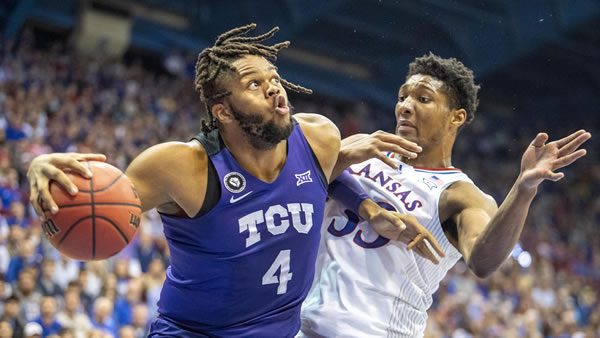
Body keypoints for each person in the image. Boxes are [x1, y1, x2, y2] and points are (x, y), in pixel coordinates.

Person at [26, 24, 436, 337]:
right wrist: (43, 169)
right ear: (222, 111)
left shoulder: (318, 136)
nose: (274, 90)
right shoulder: (181, 166)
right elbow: (98, 205)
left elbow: (325, 176)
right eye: (254, 85)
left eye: (274, 79)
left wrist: (369, 208)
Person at [300, 53, 591, 337]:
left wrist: (524, 189)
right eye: (403, 97)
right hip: (302, 323)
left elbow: (483, 262)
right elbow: (300, 181)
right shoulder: (364, 147)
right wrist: (364, 201)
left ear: (457, 116)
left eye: (423, 99)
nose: (405, 106)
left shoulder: (461, 195)